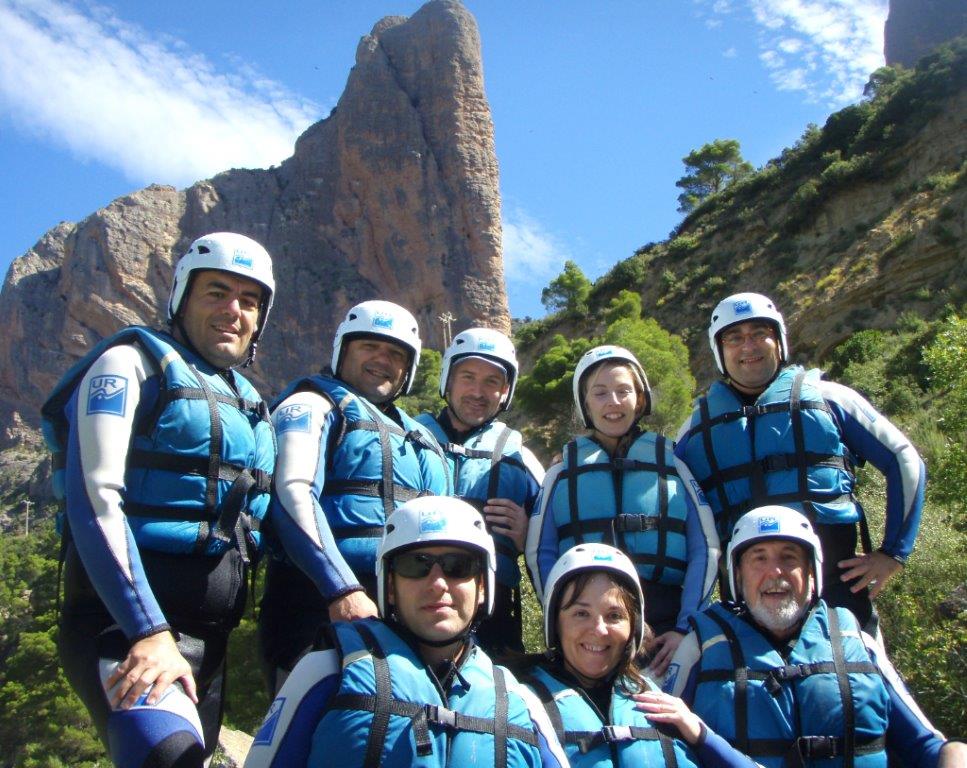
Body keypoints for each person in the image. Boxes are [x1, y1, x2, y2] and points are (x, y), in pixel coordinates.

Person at [41, 232, 277, 767]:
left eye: (249, 301)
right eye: (216, 292)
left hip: (208, 645)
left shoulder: (252, 405)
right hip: (124, 630)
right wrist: (147, 629)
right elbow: (93, 496)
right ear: (180, 299)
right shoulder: (128, 364)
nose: (232, 311)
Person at [244, 496, 569, 768]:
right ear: (389, 587)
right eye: (417, 565)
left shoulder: (520, 702)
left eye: (458, 566)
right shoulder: (325, 672)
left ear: (482, 587)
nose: (438, 583)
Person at [674, 292, 926, 633]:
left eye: (759, 333)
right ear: (720, 351)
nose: (748, 346)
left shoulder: (831, 398)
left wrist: (893, 552)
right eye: (734, 338)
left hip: (836, 593)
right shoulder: (695, 427)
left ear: (778, 341)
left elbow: (905, 460)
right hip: (746, 603)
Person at [656, 505, 966, 768]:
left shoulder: (856, 642)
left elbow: (929, 746)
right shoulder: (700, 646)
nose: (775, 572)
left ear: (811, 572)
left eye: (789, 557)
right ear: (737, 575)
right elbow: (658, 745)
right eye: (759, 558)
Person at [258, 299, 451, 693]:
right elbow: (291, 493)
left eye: (396, 353)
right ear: (343, 351)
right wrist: (341, 589)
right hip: (315, 599)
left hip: (407, 606)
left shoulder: (426, 440)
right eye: (369, 347)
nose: (383, 359)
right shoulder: (312, 404)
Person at [527, 344, 718, 673]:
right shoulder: (560, 473)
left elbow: (706, 547)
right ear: (584, 404)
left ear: (640, 399)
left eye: (623, 391)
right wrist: (560, 625)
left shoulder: (673, 464)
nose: (613, 403)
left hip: (666, 628)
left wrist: (685, 628)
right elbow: (538, 552)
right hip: (591, 628)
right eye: (599, 393)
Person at [508, 542, 758, 768]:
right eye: (580, 613)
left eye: (614, 616)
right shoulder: (520, 703)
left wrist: (701, 735)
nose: (599, 630)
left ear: (633, 629)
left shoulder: (660, 704)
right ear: (556, 624)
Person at [416, 327, 544, 654]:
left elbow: (550, 548)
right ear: (448, 380)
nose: (478, 391)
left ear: (505, 391)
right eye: (468, 377)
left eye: (492, 382)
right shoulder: (408, 439)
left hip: (494, 613)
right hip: (417, 599)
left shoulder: (520, 458)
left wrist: (529, 535)